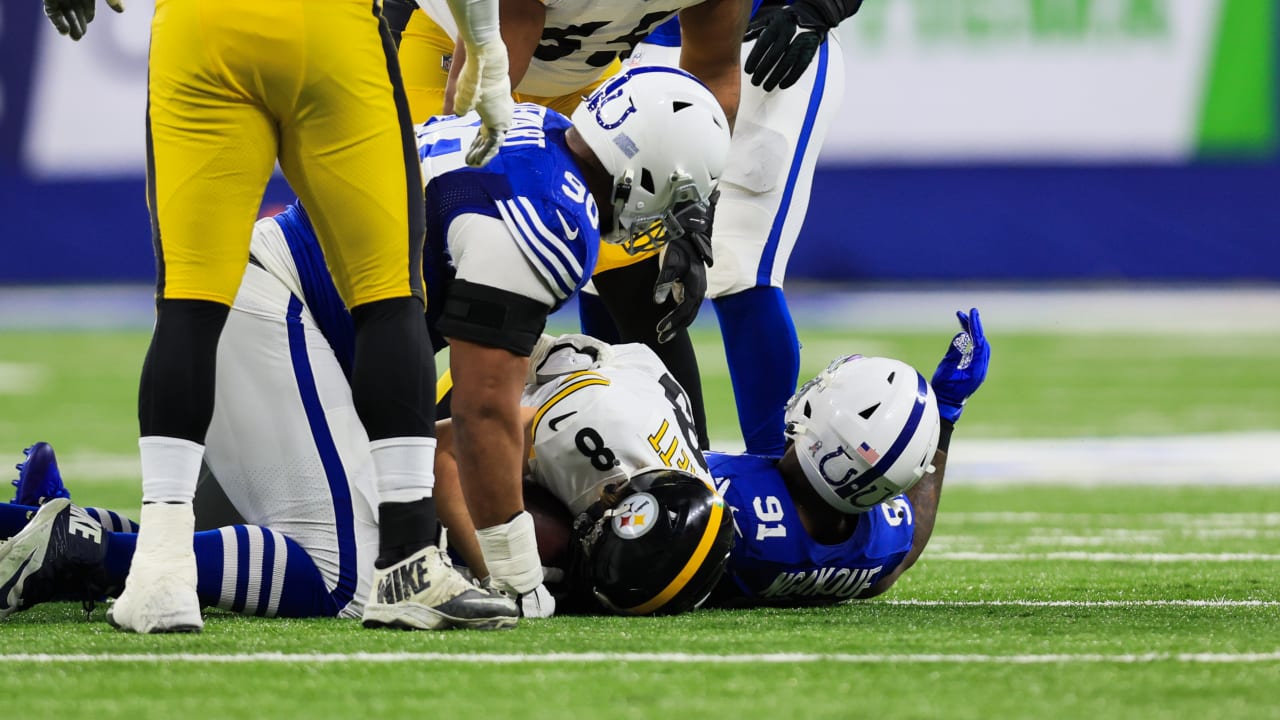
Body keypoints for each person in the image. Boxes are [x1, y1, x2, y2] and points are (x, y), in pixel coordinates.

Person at [0, 65, 731, 624]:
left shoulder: (534, 133)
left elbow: (451, 421)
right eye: (681, 193)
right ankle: (86, 551)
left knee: (240, 538)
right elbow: (480, 412)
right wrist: (517, 574)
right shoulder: (551, 213)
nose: (671, 217)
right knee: (349, 575)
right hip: (283, 313)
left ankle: (41, 530)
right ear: (647, 164)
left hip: (285, 316)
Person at [35, 0, 519, 634]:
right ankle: (408, 562)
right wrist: (486, 40)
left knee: (189, 302)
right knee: (388, 296)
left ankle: (161, 567)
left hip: (199, 31)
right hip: (331, 32)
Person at [387, 0, 754, 447]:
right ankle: (399, 454)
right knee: (441, 274)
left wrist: (693, 213)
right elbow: (478, 99)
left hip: (579, 74)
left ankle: (691, 471)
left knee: (646, 283)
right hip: (454, 48)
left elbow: (712, 74)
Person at [446, 308, 989, 607]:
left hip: (595, 537)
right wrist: (944, 417)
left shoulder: (730, 509)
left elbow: (478, 442)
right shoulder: (871, 556)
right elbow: (909, 538)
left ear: (820, 434)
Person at [613, 0, 862, 456]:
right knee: (612, 267)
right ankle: (654, 469)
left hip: (763, 39)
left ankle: (773, 478)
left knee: (738, 264)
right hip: (631, 42)